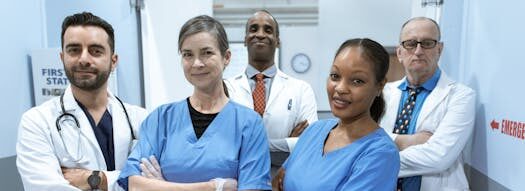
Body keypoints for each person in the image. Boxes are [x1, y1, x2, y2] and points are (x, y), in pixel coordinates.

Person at [117, 15, 271, 191]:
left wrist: (162, 186)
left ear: (226, 57)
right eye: (188, 55)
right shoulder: (162, 119)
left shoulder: (249, 124)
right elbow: (134, 184)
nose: (197, 63)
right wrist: (214, 187)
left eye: (207, 53)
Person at [16, 12, 148, 191]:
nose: (84, 59)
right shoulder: (37, 122)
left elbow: (156, 182)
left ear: (113, 60)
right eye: (74, 50)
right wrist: (127, 180)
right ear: (62, 58)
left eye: (96, 51)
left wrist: (96, 179)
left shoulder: (141, 119)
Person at [273, 38, 400, 191]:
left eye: (357, 81)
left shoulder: (380, 153)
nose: (340, 88)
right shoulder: (314, 131)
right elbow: (278, 182)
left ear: (380, 86)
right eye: (335, 76)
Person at [380, 17, 476, 191]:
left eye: (427, 43)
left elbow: (439, 157)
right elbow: (360, 138)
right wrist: (406, 141)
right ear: (400, 52)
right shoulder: (381, 94)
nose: (418, 51)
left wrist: (375, 158)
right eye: (410, 43)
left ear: (439, 49)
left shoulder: (461, 96)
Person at [225, 10, 318, 175]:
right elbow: (223, 144)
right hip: (239, 179)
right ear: (245, 40)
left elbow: (308, 144)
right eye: (253, 29)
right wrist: (286, 143)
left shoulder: (301, 89)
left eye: (268, 30)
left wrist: (245, 146)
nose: (260, 34)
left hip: (283, 179)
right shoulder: (226, 88)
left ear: (278, 41)